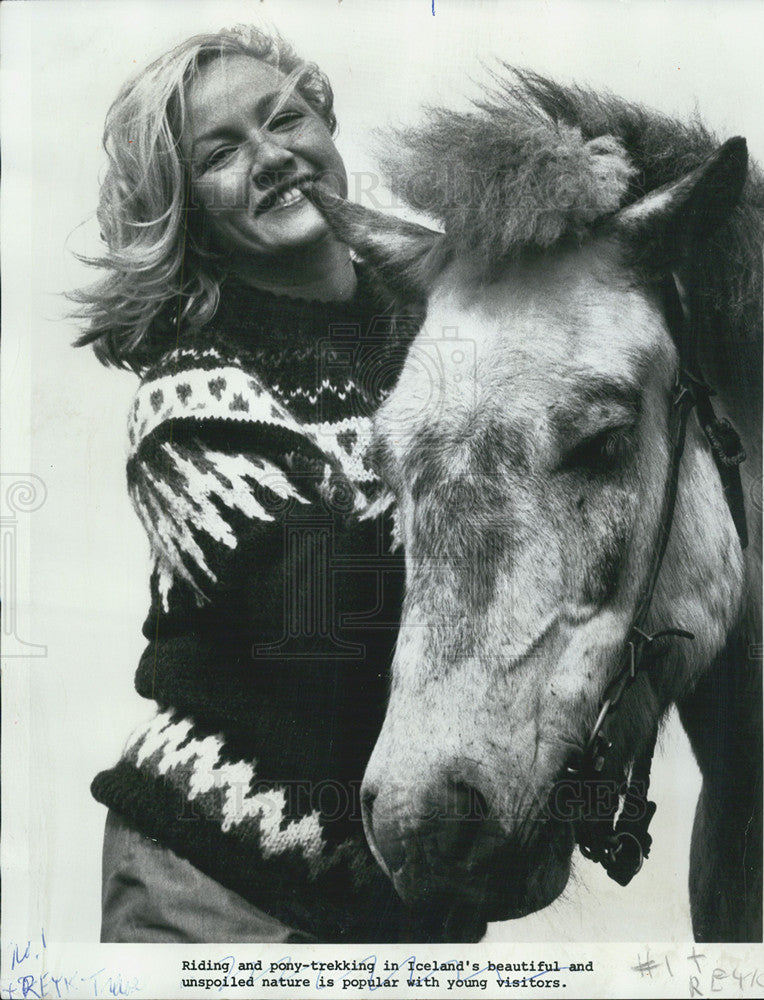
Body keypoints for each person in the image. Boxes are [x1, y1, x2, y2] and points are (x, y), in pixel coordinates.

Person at [73, 25, 440, 944]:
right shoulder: (188, 400)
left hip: (400, 907)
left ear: (329, 129)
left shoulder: (446, 332)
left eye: (288, 118)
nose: (274, 157)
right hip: (215, 890)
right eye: (222, 154)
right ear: (183, 211)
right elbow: (324, 611)